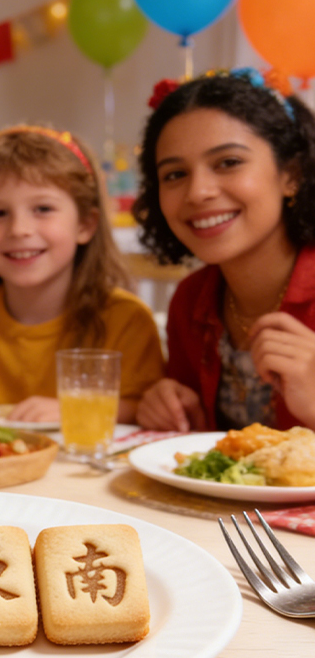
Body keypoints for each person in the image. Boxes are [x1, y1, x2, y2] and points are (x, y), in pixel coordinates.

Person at [0, 125, 164, 422]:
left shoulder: (127, 320)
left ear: (85, 224)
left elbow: (145, 409)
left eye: (43, 208)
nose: (19, 229)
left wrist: (75, 411)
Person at [134, 68, 315, 432]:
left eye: (228, 163)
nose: (198, 191)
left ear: (291, 174)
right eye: (174, 174)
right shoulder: (190, 300)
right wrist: (173, 409)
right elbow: (199, 457)